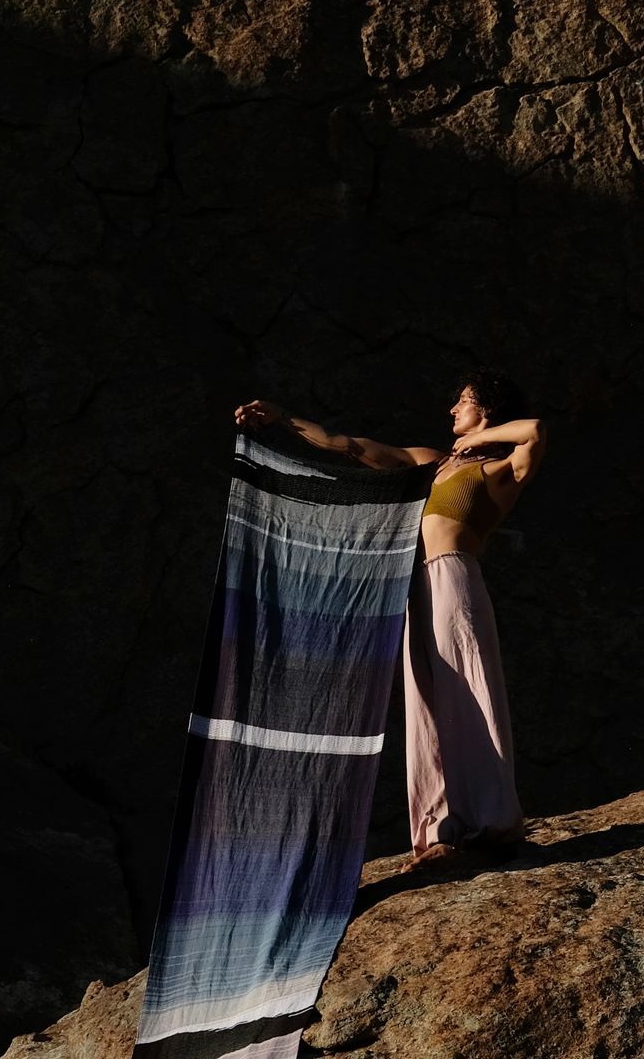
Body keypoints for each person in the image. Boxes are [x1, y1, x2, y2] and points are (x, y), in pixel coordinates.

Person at [233, 366, 545, 867]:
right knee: (425, 700)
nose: (452, 410)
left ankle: (492, 819)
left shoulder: (500, 470)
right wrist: (283, 418)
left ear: (485, 410)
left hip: (454, 579)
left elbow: (534, 431)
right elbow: (347, 445)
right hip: (413, 585)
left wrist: (483, 439)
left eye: (462, 402)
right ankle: (441, 827)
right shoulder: (430, 463)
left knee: (470, 690)